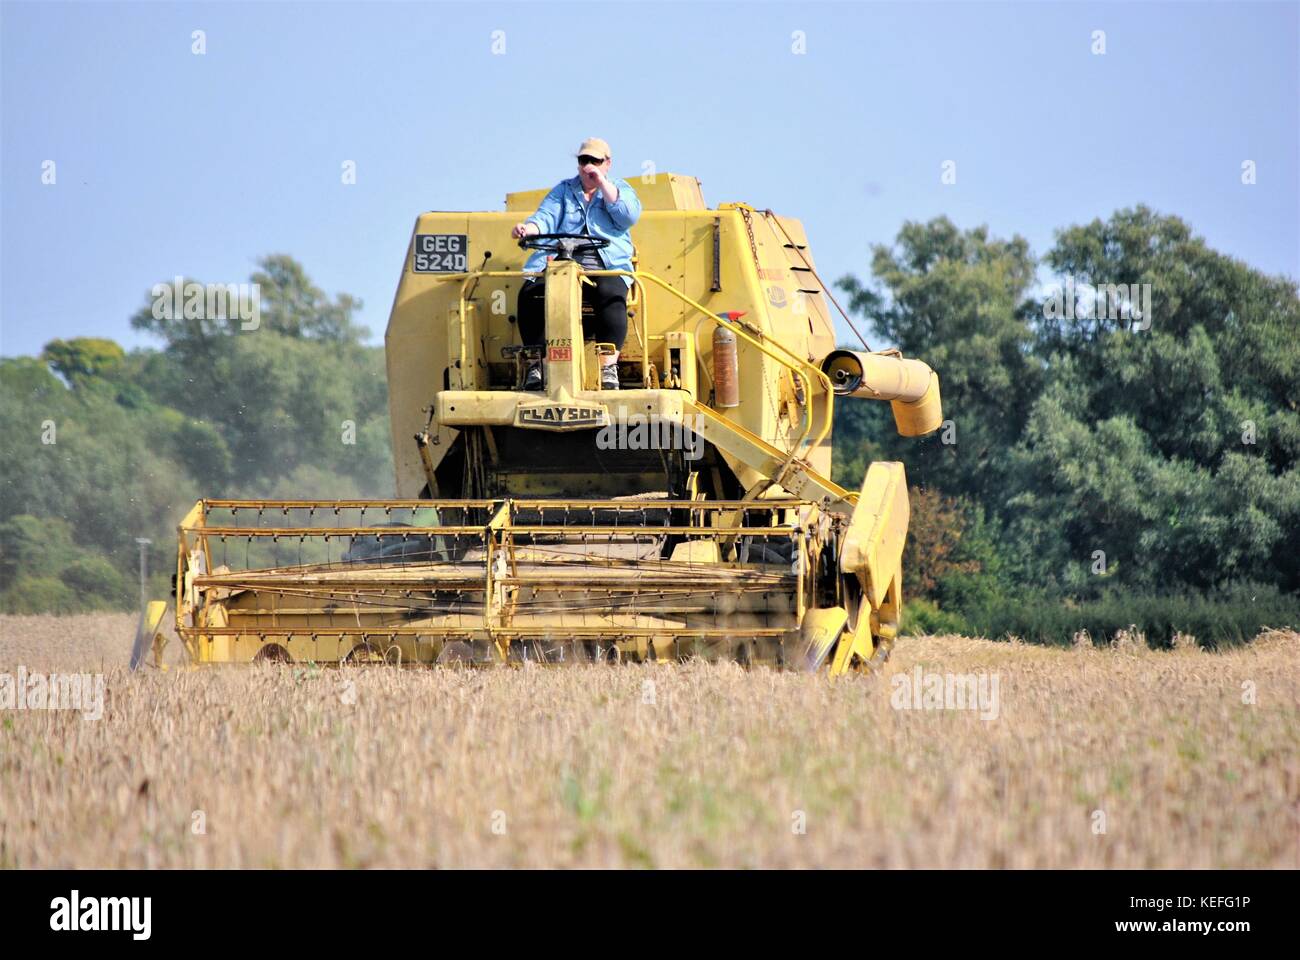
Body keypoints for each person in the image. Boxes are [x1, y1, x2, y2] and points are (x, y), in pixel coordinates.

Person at [511, 138, 642, 390]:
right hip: (562, 263)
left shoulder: (619, 189)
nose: (588, 166)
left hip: (605, 264)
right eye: (584, 160)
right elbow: (545, 218)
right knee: (531, 293)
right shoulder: (563, 191)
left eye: (596, 161)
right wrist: (527, 229)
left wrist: (601, 183)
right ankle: (537, 364)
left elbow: (628, 216)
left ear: (608, 163)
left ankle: (608, 367)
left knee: (611, 293)